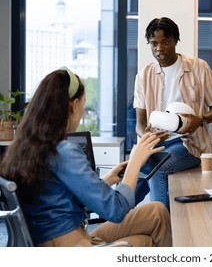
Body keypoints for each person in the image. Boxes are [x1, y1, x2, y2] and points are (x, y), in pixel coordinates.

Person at [0, 67, 172, 247]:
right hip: (71, 245)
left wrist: (110, 178)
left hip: (59, 240)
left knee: (156, 212)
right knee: (144, 243)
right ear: (73, 105)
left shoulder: (29, 147)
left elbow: (63, 197)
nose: (82, 113)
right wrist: (136, 161)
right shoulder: (63, 151)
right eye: (83, 104)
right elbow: (116, 209)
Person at [133, 17, 212, 209]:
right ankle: (116, 217)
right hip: (157, 144)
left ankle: (160, 225)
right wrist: (146, 136)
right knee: (133, 169)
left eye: (165, 42)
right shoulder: (144, 76)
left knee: (155, 169)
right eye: (154, 43)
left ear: (175, 40)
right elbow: (139, 123)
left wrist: (199, 120)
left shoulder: (199, 68)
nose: (159, 48)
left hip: (189, 144)